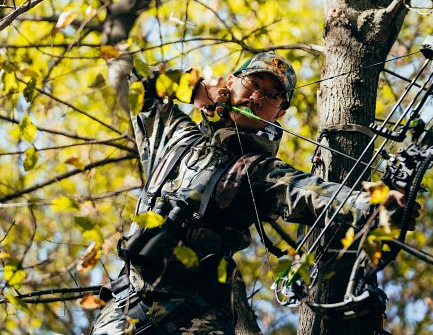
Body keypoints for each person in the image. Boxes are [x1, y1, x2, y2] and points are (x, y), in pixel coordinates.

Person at [91, 52, 407, 334]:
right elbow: (127, 70)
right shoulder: (175, 134)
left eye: (272, 96)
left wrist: (371, 202)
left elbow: (308, 192)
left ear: (279, 114)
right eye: (253, 83)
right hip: (128, 302)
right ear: (231, 82)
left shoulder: (259, 169)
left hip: (198, 317)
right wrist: (193, 88)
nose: (257, 97)